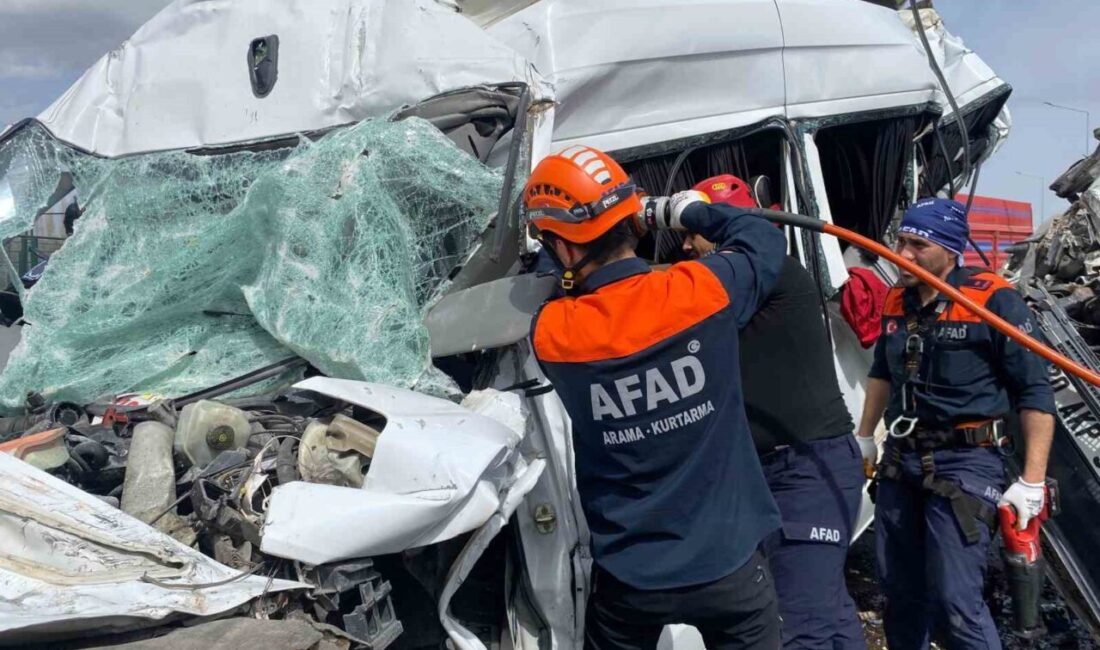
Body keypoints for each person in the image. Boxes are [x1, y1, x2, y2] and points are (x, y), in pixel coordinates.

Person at [525, 146, 786, 649]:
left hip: (631, 576)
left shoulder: (555, 333)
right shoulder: (700, 291)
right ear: (635, 220)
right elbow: (761, 239)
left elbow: (542, 279)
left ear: (566, 248)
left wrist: (554, 243)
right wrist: (687, 211)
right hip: (728, 563)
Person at [854, 198, 1055, 649]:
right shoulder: (894, 299)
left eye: (917, 245)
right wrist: (866, 436)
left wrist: (1032, 482)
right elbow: (882, 372)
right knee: (899, 593)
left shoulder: (990, 299)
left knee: (956, 600)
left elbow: (1035, 393)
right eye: (900, 242)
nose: (902, 255)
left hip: (967, 462)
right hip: (901, 461)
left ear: (950, 249)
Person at [683, 174, 867, 650]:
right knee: (826, 610)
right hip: (774, 471)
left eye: (694, 233)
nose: (685, 246)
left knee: (799, 622)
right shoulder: (729, 288)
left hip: (805, 468)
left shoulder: (776, 275)